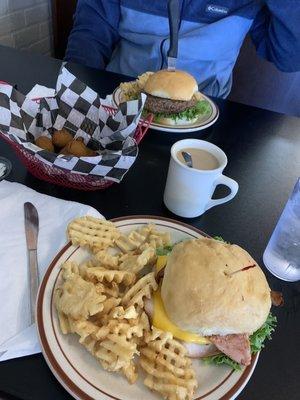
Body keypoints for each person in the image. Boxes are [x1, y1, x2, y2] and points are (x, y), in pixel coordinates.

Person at [65, 1, 300, 98]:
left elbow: (289, 57)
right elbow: (90, 34)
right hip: (119, 98)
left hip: (207, 109)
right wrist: (76, 96)